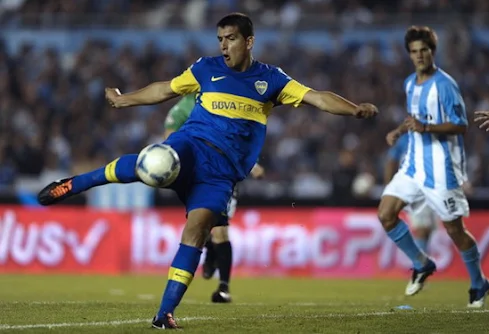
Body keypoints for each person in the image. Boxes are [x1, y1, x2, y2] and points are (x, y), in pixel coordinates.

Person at [37, 13, 378, 329]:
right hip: (191, 147)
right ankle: (73, 185)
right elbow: (166, 89)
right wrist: (125, 99)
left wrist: (354, 110)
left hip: (221, 174)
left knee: (198, 230)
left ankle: (164, 313)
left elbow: (317, 97)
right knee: (151, 162)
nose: (224, 46)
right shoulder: (206, 68)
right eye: (220, 39)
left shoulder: (272, 80)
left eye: (230, 38)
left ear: (249, 41)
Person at [378, 25, 489, 308]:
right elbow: (414, 117)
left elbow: (461, 125)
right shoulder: (408, 83)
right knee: (386, 213)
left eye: (424, 50)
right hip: (414, 166)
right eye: (414, 52)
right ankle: (421, 262)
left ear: (432, 52)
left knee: (455, 230)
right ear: (410, 55)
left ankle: (479, 283)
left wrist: (426, 127)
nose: (419, 56)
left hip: (442, 171)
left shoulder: (445, 85)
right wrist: (399, 132)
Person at [163, 94, 265, 303]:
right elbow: (169, 141)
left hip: (222, 176)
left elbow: (238, 139)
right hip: (196, 175)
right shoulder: (183, 109)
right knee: (204, 226)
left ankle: (224, 287)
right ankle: (209, 249)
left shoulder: (224, 101)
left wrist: (252, 165)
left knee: (220, 230)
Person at [384, 134, 437, 254]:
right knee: (421, 228)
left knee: (428, 229)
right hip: (415, 187)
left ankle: (423, 259)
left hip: (432, 187)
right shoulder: (405, 139)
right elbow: (391, 161)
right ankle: (421, 265)